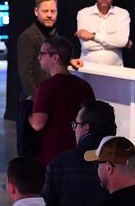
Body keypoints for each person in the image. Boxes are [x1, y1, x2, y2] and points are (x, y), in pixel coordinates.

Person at [29, 36, 95, 165]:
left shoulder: (46, 87)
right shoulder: (84, 86)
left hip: (52, 155)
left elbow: (37, 124)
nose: (39, 58)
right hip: (79, 153)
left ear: (55, 58)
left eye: (42, 54)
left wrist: (26, 115)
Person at [16, 0, 59, 157]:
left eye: (53, 11)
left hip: (50, 103)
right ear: (36, 12)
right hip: (32, 103)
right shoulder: (28, 37)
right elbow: (25, 73)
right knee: (30, 152)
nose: (49, 14)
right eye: (45, 11)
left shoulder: (56, 37)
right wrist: (38, 99)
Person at [75, 0, 130, 66]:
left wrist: (93, 36)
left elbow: (122, 41)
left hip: (115, 72)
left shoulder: (122, 14)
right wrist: (114, 44)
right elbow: (87, 45)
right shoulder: (83, 13)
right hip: (87, 70)